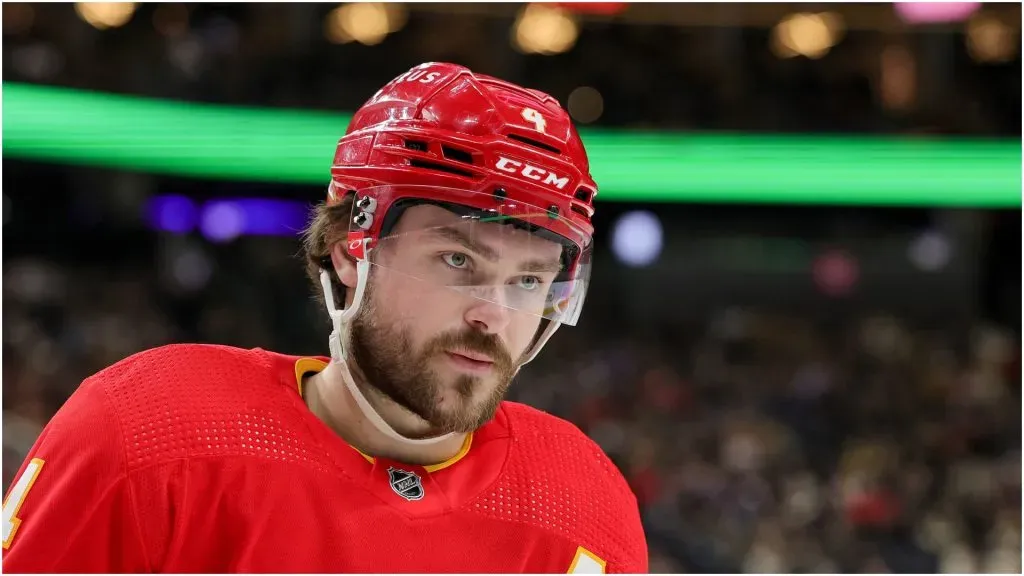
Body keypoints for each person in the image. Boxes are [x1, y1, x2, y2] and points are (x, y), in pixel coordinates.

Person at [1, 62, 648, 573]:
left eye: (529, 279)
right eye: (457, 259)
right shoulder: (144, 432)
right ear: (350, 249)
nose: (492, 313)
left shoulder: (582, 507)